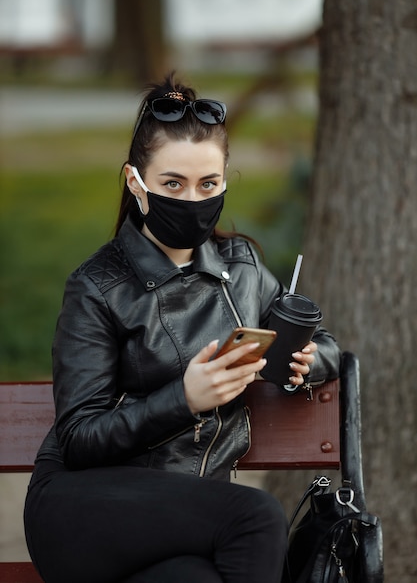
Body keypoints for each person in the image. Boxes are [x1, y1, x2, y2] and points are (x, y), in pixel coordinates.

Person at [24, 73, 341, 583]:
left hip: (187, 522)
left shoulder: (241, 270)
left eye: (208, 184)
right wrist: (184, 399)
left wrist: (306, 360)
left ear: (223, 179)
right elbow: (80, 437)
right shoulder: (97, 287)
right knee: (258, 517)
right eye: (173, 183)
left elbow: (321, 343)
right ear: (136, 182)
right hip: (82, 509)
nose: (193, 200)